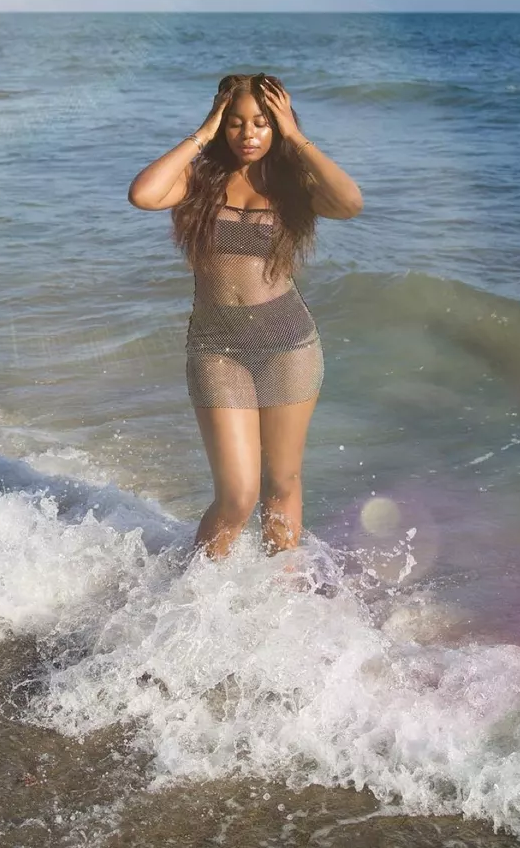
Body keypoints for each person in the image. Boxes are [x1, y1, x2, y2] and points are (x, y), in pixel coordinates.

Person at [128, 74, 363, 559]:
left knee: (282, 482)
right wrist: (203, 131)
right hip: (217, 350)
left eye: (261, 122)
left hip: (288, 346)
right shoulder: (198, 181)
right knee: (237, 497)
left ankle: (284, 599)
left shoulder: (293, 185)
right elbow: (144, 195)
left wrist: (295, 137)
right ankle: (194, 597)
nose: (248, 134)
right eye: (235, 123)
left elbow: (350, 203)